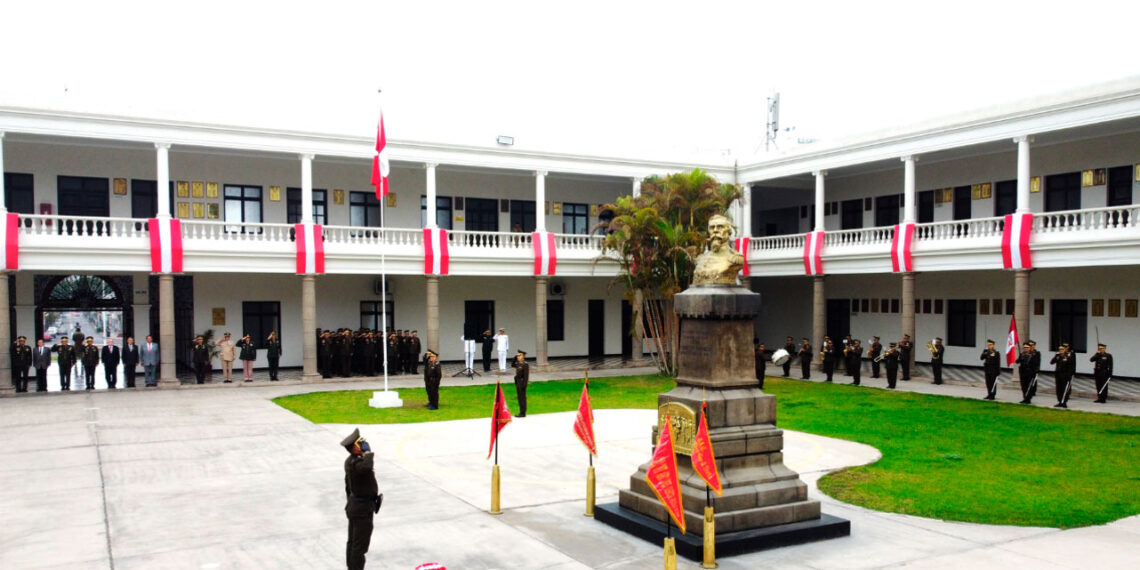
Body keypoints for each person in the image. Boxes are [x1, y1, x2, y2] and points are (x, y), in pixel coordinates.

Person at [341, 428, 381, 570]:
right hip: (361, 509)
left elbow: (348, 486)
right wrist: (369, 453)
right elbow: (367, 467)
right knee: (359, 546)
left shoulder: (352, 461)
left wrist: (351, 504)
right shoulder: (356, 464)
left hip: (356, 507)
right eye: (361, 443)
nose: (364, 444)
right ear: (354, 448)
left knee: (353, 543)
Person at [1051, 343, 1075, 408]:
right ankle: (1059, 401)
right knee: (1058, 389)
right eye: (1060, 349)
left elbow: (1071, 366)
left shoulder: (1068, 356)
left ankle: (1064, 402)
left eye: (1062, 349)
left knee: (1064, 389)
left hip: (1065, 375)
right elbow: (1051, 362)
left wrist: (1070, 375)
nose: (1061, 350)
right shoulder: (1058, 356)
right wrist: (1055, 356)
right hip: (1058, 375)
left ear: (1065, 350)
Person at [513, 349, 530, 417]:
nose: (518, 357)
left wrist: (524, 385)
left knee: (522, 398)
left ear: (523, 357)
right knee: (519, 398)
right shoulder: (518, 363)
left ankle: (523, 412)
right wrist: (514, 358)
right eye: (517, 356)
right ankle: (521, 411)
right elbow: (512, 364)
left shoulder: (525, 364)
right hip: (518, 382)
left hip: (522, 383)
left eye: (519, 356)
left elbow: (526, 376)